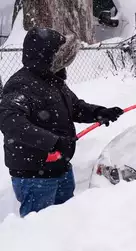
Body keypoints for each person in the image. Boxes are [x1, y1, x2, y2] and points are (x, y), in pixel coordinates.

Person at [0, 27, 124, 217]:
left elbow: (75, 107)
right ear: (44, 56)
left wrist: (100, 112)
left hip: (61, 167)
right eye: (59, 55)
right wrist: (54, 142)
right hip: (35, 176)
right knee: (39, 228)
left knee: (64, 222)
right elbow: (11, 123)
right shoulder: (21, 85)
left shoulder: (53, 80)